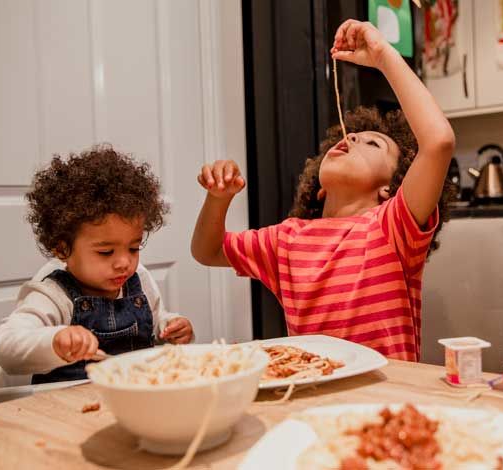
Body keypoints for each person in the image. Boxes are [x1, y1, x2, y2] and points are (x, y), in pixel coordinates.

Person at [191, 20, 456, 361]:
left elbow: (439, 141)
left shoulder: (393, 228)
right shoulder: (286, 241)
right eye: (351, 136)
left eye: (372, 143)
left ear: (391, 188)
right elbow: (206, 251)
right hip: (313, 395)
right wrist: (218, 199)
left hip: (386, 396)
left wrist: (382, 55)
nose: (353, 137)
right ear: (318, 188)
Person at [0, 145, 194, 383]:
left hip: (137, 400)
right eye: (106, 252)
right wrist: (55, 341)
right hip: (68, 409)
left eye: (133, 248)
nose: (124, 263)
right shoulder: (53, 297)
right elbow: (6, 346)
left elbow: (156, 322)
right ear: (62, 248)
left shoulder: (140, 280)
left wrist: (170, 326)